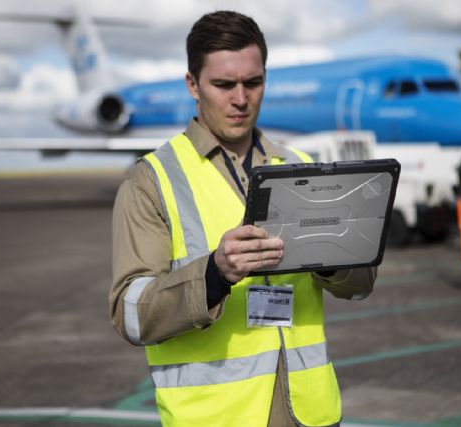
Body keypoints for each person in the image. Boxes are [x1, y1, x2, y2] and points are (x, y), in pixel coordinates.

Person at [110, 10, 376, 427]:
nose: (240, 98)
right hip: (215, 417)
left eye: (253, 83)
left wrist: (334, 254)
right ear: (192, 85)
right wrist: (213, 275)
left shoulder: (301, 164)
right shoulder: (152, 180)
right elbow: (130, 314)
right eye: (223, 84)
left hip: (309, 412)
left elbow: (360, 287)